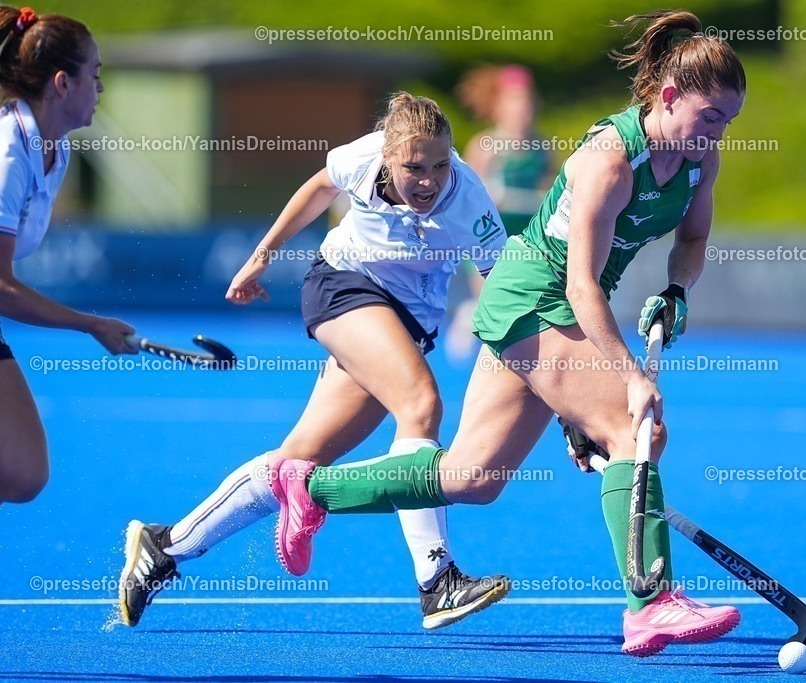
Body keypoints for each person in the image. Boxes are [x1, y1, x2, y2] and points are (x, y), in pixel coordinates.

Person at [269, 10, 747, 657]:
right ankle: (650, 603)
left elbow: (692, 239)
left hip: (556, 307)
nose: (718, 133)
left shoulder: (699, 159)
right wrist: (627, 378)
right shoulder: (610, 160)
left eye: (728, 121)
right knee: (634, 429)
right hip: (535, 296)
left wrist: (676, 291)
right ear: (668, 97)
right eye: (711, 116)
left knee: (474, 477)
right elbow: (579, 288)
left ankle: (311, 487)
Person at [117, 93, 511, 630]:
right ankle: (436, 580)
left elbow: (501, 289)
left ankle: (166, 545)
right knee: (421, 406)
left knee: (298, 459)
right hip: (343, 286)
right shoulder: (363, 156)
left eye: (440, 166)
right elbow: (320, 186)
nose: (429, 181)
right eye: (414, 168)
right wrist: (261, 257)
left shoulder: (469, 200)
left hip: (410, 321)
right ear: (388, 156)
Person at [0, 6, 136, 504]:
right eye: (94, 76)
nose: (99, 89)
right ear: (63, 83)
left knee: (23, 474)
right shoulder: (8, 154)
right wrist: (89, 324)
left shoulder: (53, 150)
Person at [445, 64, 551, 362]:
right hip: (487, 238)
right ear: (499, 107)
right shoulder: (485, 146)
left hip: (525, 241)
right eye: (515, 102)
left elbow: (549, 193)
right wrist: (490, 195)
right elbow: (464, 195)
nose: (522, 110)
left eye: (527, 102)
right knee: (492, 301)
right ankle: (472, 318)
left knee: (520, 309)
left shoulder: (542, 148)